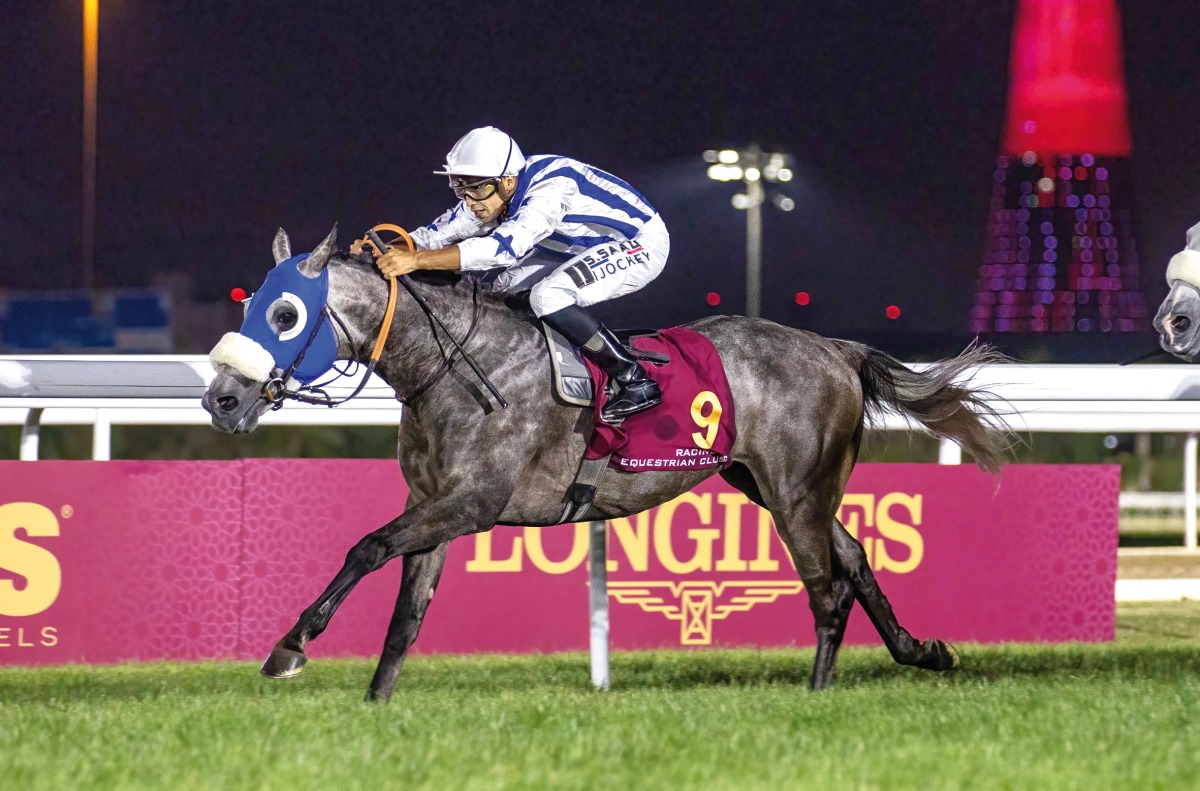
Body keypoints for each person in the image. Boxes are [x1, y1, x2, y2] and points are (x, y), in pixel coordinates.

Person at [375, 126, 669, 422]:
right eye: (461, 188)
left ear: (508, 181)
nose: (470, 200)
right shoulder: (488, 192)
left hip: (638, 242)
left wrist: (415, 261)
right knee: (502, 293)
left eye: (477, 188)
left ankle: (635, 380)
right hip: (568, 244)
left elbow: (503, 249)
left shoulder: (552, 188)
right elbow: (437, 233)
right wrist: (379, 249)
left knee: (548, 296)